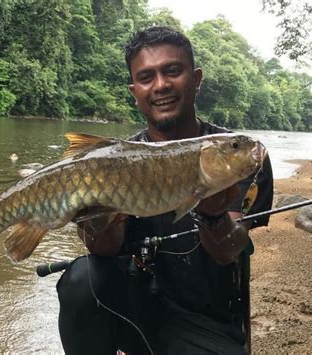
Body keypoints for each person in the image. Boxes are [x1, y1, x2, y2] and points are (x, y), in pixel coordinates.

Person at [57, 26, 273, 355]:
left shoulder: (236, 153)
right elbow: (103, 250)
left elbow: (229, 250)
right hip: (133, 305)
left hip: (204, 318)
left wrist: (213, 215)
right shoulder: (116, 159)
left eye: (173, 71)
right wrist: (91, 215)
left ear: (196, 78)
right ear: (134, 90)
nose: (161, 86)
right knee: (80, 279)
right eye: (146, 77)